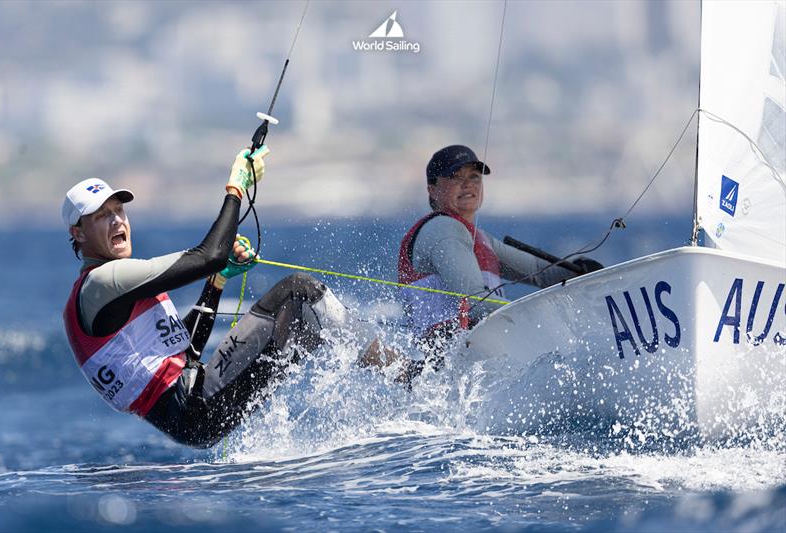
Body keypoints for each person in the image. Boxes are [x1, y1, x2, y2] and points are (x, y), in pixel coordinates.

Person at [62, 147, 347, 448]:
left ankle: (365, 415)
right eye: (102, 216)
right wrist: (236, 186)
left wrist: (218, 279)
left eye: (119, 210)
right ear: (78, 233)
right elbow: (209, 255)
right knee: (298, 290)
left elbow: (188, 350)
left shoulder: (111, 286)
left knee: (301, 326)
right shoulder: (103, 283)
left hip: (195, 414)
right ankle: (402, 375)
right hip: (195, 407)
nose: (118, 221)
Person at [371, 145, 601, 380]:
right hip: (453, 370)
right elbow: (476, 302)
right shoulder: (442, 229)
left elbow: (540, 273)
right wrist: (537, 320)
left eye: (474, 177)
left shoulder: (479, 238)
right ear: (432, 189)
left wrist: (580, 272)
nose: (468, 184)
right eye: (455, 177)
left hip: (474, 367)